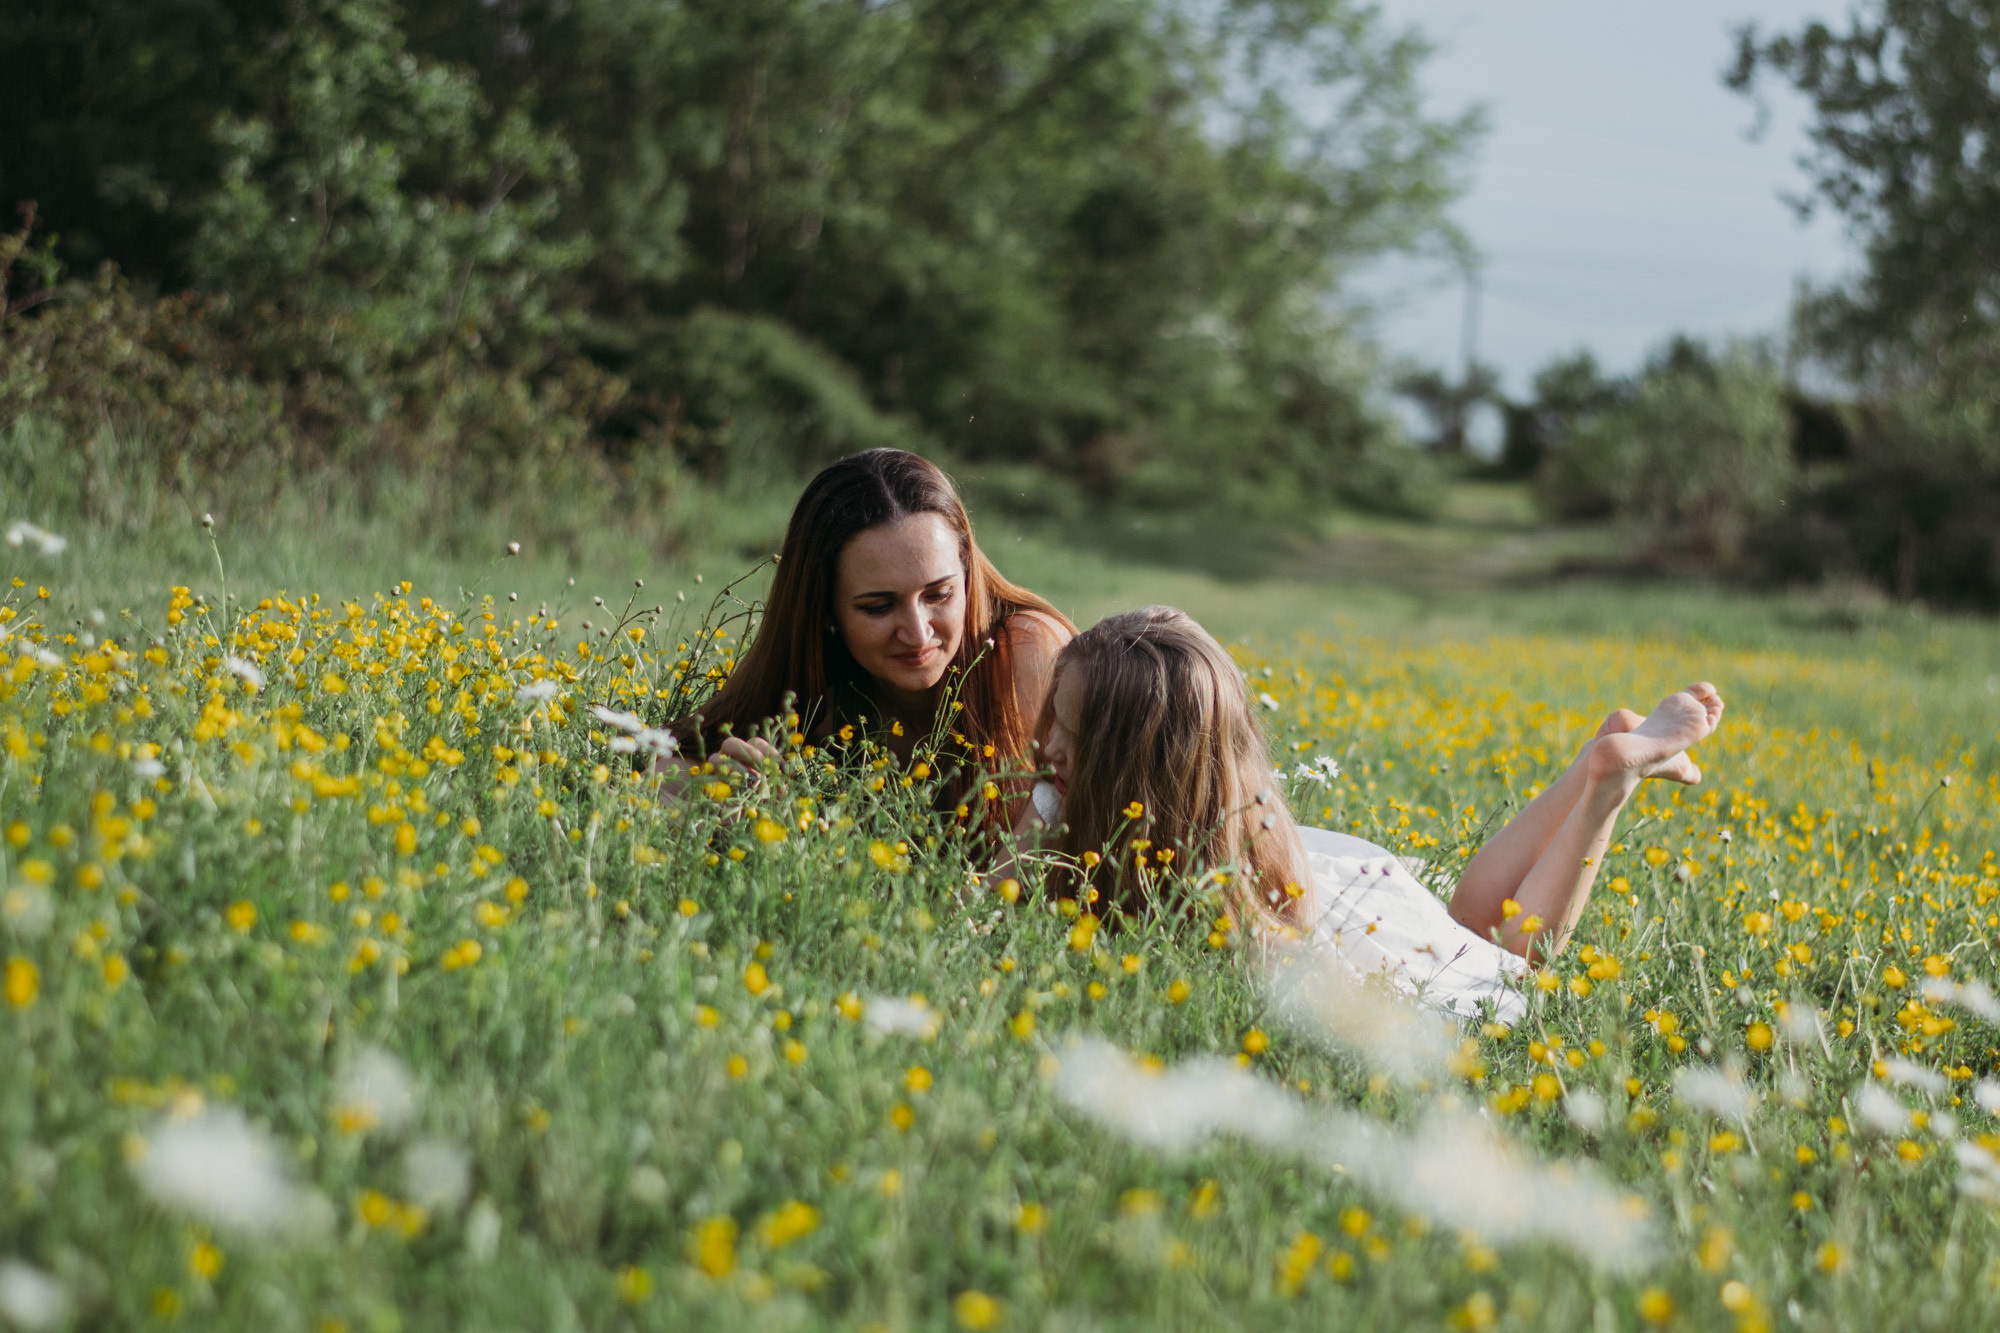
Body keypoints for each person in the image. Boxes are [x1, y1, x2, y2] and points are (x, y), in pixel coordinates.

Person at [1006, 606, 1723, 1019]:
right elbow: (993, 903)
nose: (1050, 747)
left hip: (1348, 937)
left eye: (1075, 733)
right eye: (1056, 721)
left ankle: (1604, 785)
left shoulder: (1232, 912)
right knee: (1469, 920)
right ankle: (1591, 762)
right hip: (1348, 879)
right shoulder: (1211, 827)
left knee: (1511, 973)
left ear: (1140, 765)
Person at [667, 450, 1073, 801]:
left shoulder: (1028, 654)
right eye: (879, 606)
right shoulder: (822, 706)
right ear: (824, 610)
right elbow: (662, 760)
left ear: (966, 575)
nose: (917, 633)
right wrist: (717, 785)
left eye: (938, 595)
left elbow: (1038, 850)